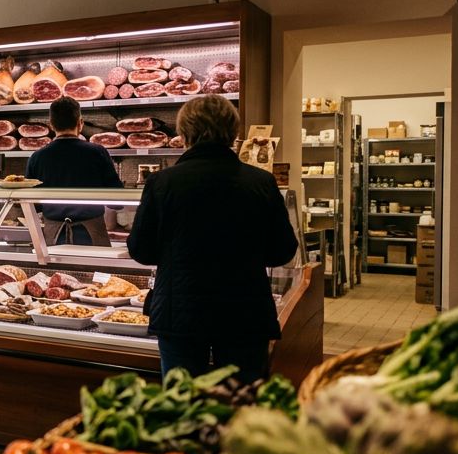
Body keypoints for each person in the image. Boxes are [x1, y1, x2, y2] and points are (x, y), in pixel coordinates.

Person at [127, 94, 298, 383]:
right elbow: (283, 251)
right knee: (240, 405)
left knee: (183, 408)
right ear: (233, 132)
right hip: (244, 312)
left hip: (180, 313)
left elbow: (141, 251)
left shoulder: (162, 182)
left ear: (184, 134)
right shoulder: (261, 182)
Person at [25, 96, 124, 246]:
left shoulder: (37, 157)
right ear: (80, 123)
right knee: (95, 270)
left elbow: (32, 204)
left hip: (52, 238)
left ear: (51, 125)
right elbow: (117, 201)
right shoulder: (97, 152)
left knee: (55, 271)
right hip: (92, 236)